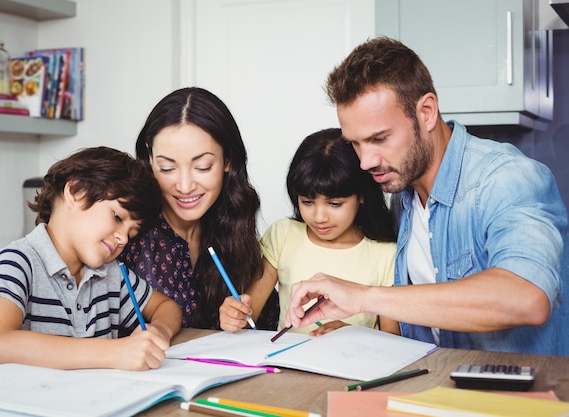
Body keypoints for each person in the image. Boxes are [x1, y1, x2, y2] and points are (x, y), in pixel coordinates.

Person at [284, 37, 569, 355]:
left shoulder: (505, 178)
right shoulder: (401, 194)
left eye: (380, 138)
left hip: (519, 401)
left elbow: (526, 298)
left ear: (427, 112)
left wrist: (364, 296)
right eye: (356, 143)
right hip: (433, 391)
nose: (365, 161)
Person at [0, 147, 183, 370]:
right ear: (75, 191)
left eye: (131, 233)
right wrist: (116, 352)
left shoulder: (110, 273)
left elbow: (166, 307)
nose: (123, 238)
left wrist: (159, 330)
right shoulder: (18, 262)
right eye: (117, 217)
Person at [122, 87, 279, 330]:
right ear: (150, 158)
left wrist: (242, 317)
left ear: (228, 161)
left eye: (203, 167)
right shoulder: (126, 233)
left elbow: (265, 330)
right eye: (167, 168)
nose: (184, 186)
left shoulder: (232, 225)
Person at [220, 128, 400, 335]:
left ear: (362, 195)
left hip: (352, 364)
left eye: (334, 204)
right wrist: (234, 316)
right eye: (307, 202)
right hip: (287, 365)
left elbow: (392, 338)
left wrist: (352, 334)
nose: (319, 216)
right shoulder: (284, 235)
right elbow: (249, 314)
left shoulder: (385, 253)